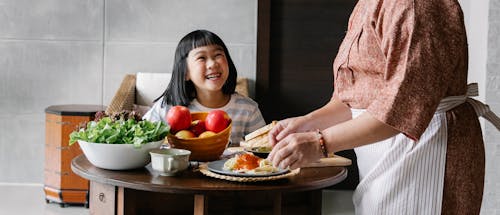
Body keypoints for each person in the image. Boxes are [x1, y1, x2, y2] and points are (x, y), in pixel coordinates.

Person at [267, 0, 500, 214]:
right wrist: (308, 123)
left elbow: (402, 108)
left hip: (425, 148)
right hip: (388, 149)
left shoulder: (415, 5)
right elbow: (358, 93)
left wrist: (320, 143)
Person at [143, 29, 266, 145]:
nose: (212, 64)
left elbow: (264, 150)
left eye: (218, 55)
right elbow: (141, 139)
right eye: (201, 58)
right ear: (186, 72)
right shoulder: (167, 108)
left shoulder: (248, 109)